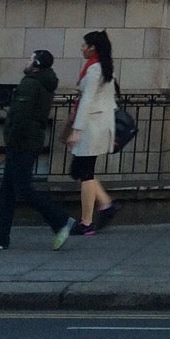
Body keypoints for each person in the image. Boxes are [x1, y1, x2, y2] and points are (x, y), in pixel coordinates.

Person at [0, 50, 78, 251]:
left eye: (30, 59)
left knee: (23, 188)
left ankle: (61, 221)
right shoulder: (45, 83)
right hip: (31, 139)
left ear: (36, 64)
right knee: (8, 190)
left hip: (22, 142)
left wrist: (11, 138)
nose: (27, 62)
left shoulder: (30, 83)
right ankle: (0, 236)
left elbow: (20, 115)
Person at [64, 30, 119, 233]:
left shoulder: (95, 69)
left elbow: (87, 100)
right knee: (81, 170)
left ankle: (87, 222)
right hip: (95, 124)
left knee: (85, 172)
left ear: (92, 47)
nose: (82, 48)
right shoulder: (103, 68)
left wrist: (76, 129)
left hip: (91, 126)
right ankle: (106, 204)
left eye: (84, 44)